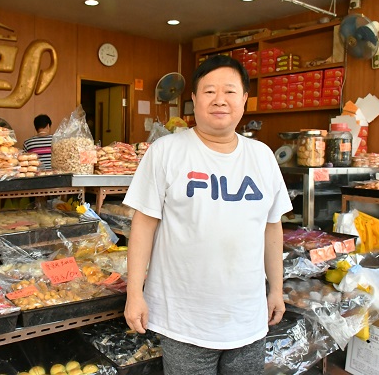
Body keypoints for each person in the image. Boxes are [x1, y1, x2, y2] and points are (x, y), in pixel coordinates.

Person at [122, 54, 292, 375]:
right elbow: (143, 225)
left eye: (229, 91)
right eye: (209, 91)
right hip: (184, 320)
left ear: (244, 99)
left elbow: (272, 228)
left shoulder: (262, 156)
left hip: (248, 317)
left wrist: (276, 290)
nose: (219, 100)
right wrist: (134, 294)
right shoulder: (166, 151)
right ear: (194, 99)